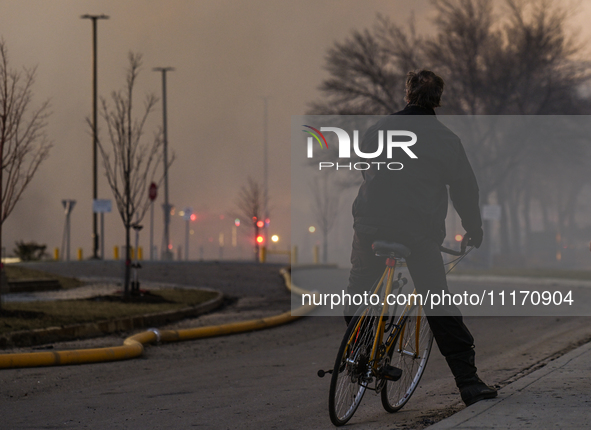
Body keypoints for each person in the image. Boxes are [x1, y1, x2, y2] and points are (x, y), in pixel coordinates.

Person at [345, 70, 497, 406]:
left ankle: (359, 350)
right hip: (417, 233)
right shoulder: (445, 140)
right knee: (438, 304)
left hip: (370, 226)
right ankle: (469, 384)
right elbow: (464, 189)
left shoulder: (377, 130)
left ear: (407, 94)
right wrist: (474, 229)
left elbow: (363, 164)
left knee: (358, 288)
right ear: (437, 99)